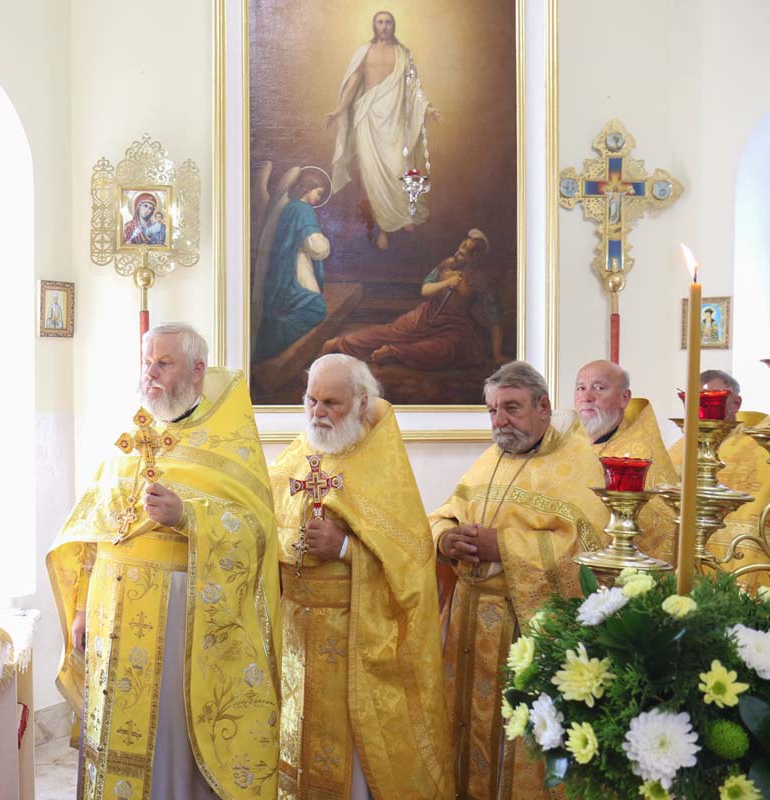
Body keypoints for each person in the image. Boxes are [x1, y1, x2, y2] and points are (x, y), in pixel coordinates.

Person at [47, 322, 280, 799]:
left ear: (197, 370)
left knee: (170, 734)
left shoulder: (228, 444)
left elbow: (256, 531)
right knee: (116, 730)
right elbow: (95, 528)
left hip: (180, 619)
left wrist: (188, 516)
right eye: (146, 362)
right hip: (112, 613)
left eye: (164, 363)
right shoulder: (131, 439)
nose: (150, 373)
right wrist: (82, 607)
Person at [269, 354, 452, 799]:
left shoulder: (381, 464)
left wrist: (345, 548)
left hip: (354, 641)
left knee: (348, 759)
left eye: (331, 402)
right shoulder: (298, 455)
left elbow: (411, 563)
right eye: (311, 400)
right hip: (295, 634)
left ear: (361, 402)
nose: (318, 412)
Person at [430, 361, 608, 799]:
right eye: (492, 410)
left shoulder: (579, 463)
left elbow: (587, 551)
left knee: (516, 741)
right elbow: (444, 514)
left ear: (543, 406)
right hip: (468, 628)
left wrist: (504, 546)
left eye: (511, 408)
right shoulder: (489, 460)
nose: (499, 421)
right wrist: (447, 539)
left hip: (524, 632)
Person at [326, 10, 440, 250]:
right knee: (372, 175)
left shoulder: (403, 53)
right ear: (374, 25)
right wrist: (337, 111)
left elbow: (413, 87)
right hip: (368, 117)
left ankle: (403, 214)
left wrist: (428, 109)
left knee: (398, 166)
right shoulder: (364, 51)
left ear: (393, 25)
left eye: (388, 22)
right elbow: (353, 85)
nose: (384, 26)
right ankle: (382, 229)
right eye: (380, 22)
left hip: (393, 119)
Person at [323, 229, 504, 370]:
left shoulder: (480, 281)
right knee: (389, 332)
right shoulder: (447, 265)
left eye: (464, 252)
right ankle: (340, 343)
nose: (458, 253)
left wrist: (497, 356)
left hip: (454, 329)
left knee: (443, 350)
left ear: (475, 258)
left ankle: (393, 352)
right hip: (425, 316)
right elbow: (425, 290)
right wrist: (447, 283)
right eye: (460, 248)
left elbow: (495, 320)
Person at [670, 370, 770, 586]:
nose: (703, 409)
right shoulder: (677, 452)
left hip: (735, 561)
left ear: (736, 404)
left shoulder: (756, 448)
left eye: (713, 399)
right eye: (695, 401)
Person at [573, 359, 676, 562]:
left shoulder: (641, 453)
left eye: (599, 388)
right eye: (581, 388)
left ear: (624, 398)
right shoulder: (567, 444)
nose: (586, 397)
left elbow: (660, 524)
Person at [253, 172, 331, 361]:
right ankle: (270, 340)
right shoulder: (303, 209)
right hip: (296, 270)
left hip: (285, 270)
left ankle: (267, 337)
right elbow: (317, 248)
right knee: (316, 308)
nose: (318, 198)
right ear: (308, 189)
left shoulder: (290, 207)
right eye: (318, 193)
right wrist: (326, 243)